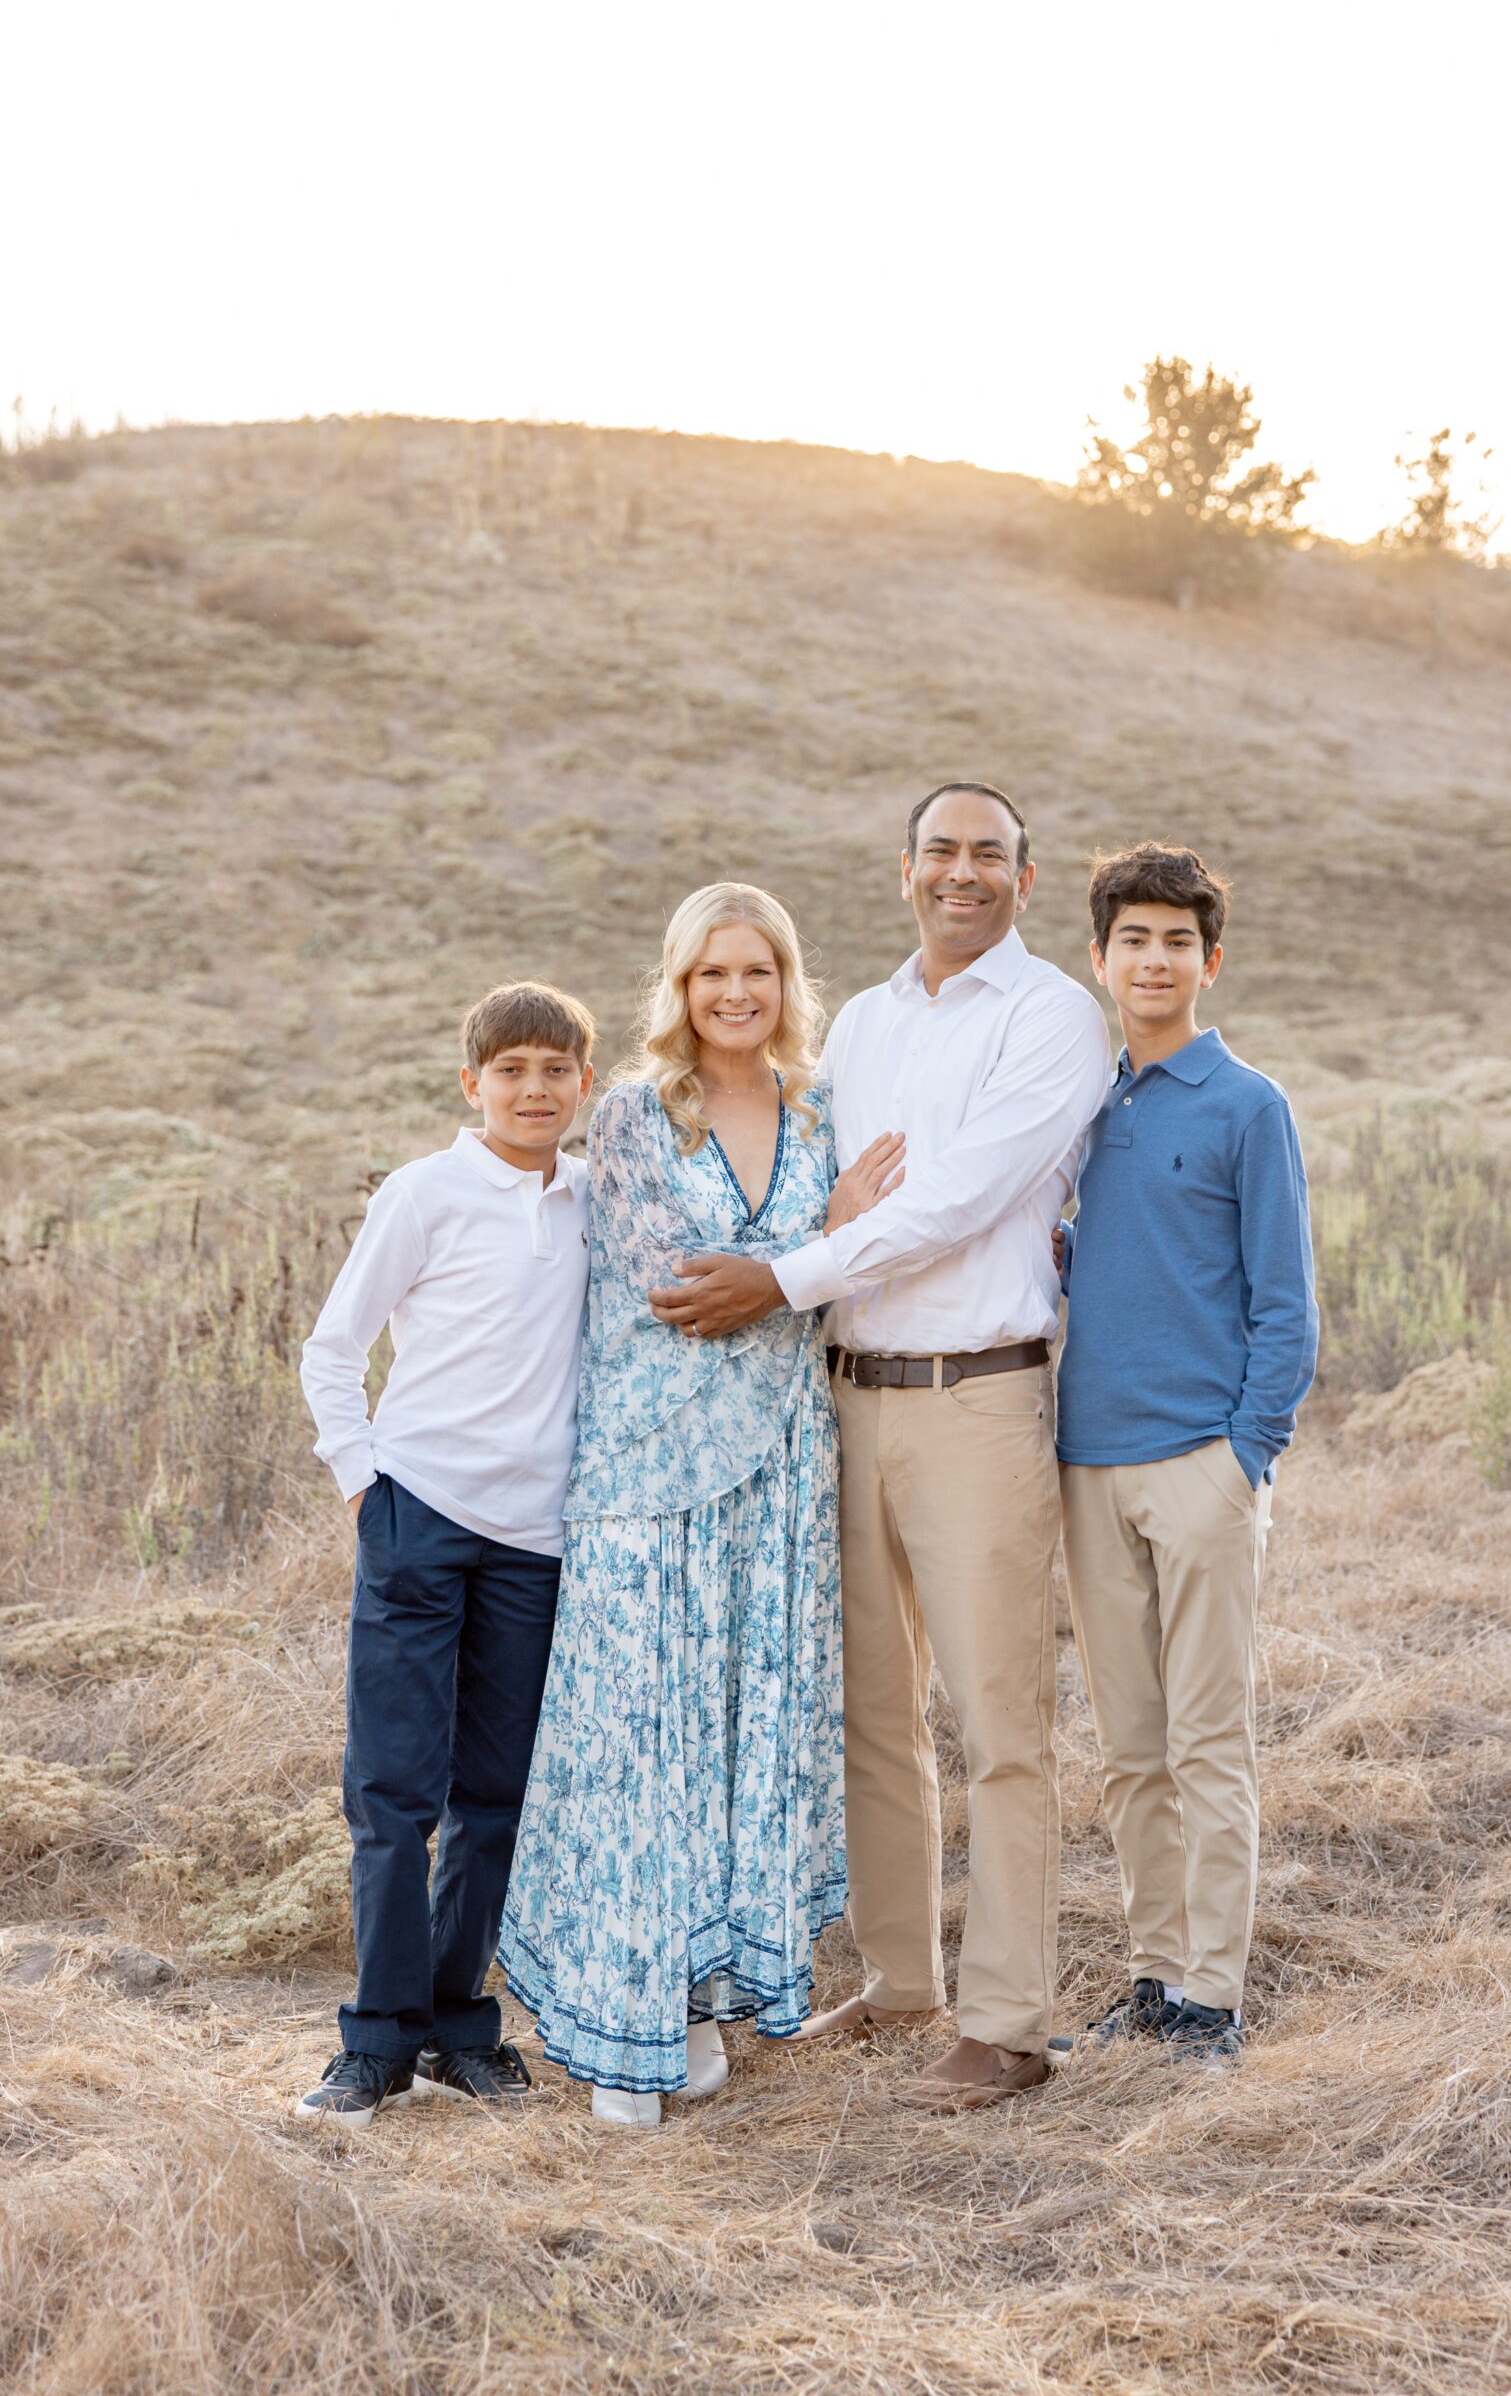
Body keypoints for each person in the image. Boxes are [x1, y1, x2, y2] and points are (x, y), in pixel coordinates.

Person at [651, 786, 1110, 2113]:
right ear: (905, 871)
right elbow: (832, 1183)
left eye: (989, 856)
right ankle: (904, 1984)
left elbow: (960, 1201)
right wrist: (806, 1242)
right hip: (846, 1397)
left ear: (1026, 880)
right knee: (872, 1711)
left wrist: (782, 1274)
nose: (962, 874)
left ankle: (1010, 2019)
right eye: (941, 853)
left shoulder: (1050, 1018)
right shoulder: (862, 1021)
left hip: (977, 1401)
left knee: (1000, 1719)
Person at [497, 883, 903, 2128]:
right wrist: (817, 1246)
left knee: (741, 1740)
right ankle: (622, 2023)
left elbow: (845, 1276)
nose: (735, 994)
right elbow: (678, 1289)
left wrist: (808, 1257)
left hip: (780, 1475)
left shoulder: (824, 1111)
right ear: (677, 988)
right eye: (710, 974)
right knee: (639, 1747)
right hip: (643, 1481)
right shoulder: (627, 1115)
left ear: (789, 986)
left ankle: (697, 2001)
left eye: (758, 973)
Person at [295, 981, 596, 2126]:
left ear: (581, 1083)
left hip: (538, 1538)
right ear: (472, 1083)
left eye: (555, 1070)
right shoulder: (425, 1193)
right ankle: (375, 2041)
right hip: (419, 1513)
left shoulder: (589, 1199)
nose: (533, 1089)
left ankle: (458, 2026)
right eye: (510, 1070)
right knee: (393, 1789)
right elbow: (334, 1346)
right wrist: (364, 1484)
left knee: (494, 1793)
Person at [1055, 843, 1318, 2063]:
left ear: (1209, 962)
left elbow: (1287, 1305)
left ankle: (1212, 1995)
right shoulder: (1083, 1102)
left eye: (1176, 941)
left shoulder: (1246, 1104)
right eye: (1132, 939)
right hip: (1086, 1461)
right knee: (1128, 1749)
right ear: (1099, 958)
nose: (1152, 959)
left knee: (1210, 1741)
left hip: (1200, 1466)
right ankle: (1154, 1974)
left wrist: (1243, 1454)